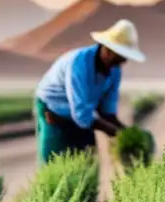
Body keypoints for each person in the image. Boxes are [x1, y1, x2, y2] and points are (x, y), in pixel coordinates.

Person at [34, 18, 145, 164]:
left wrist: (129, 134)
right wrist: (118, 133)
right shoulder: (79, 65)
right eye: (121, 56)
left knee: (88, 161)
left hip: (81, 114)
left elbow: (107, 113)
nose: (123, 62)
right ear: (109, 50)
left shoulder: (114, 70)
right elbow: (82, 114)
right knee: (56, 163)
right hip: (54, 110)